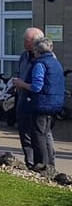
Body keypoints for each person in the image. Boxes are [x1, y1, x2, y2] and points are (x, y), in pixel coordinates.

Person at [13, 36, 64, 177]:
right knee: (46, 134)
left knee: (38, 135)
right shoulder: (56, 62)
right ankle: (49, 165)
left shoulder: (40, 64)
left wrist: (21, 84)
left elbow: (36, 86)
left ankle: (41, 164)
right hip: (54, 103)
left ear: (37, 50)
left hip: (41, 104)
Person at [15, 27, 50, 169]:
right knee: (24, 132)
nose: (24, 43)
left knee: (41, 134)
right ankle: (30, 163)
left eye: (27, 40)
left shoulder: (46, 58)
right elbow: (19, 72)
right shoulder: (24, 56)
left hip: (38, 100)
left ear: (36, 42)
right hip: (23, 97)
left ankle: (46, 164)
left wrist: (22, 84)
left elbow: (39, 85)